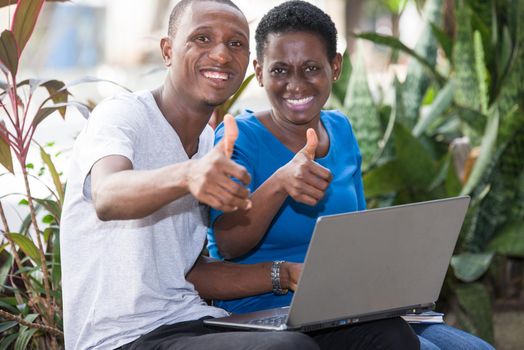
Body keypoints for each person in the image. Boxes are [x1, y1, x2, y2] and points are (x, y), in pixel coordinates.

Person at [207, 1, 495, 350]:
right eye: (280, 70)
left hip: (345, 307)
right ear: (260, 69)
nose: (295, 84)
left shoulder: (341, 128)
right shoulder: (241, 137)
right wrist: (281, 182)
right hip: (265, 311)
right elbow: (226, 244)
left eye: (311, 68)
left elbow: (356, 235)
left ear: (336, 66)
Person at [60, 1, 321, 349]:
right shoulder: (121, 115)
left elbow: (190, 271)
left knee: (380, 332)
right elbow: (107, 195)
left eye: (236, 43)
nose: (222, 55)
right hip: (121, 338)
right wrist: (189, 174)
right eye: (202, 38)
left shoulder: (205, 142)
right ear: (167, 51)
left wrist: (283, 273)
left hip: (192, 321)